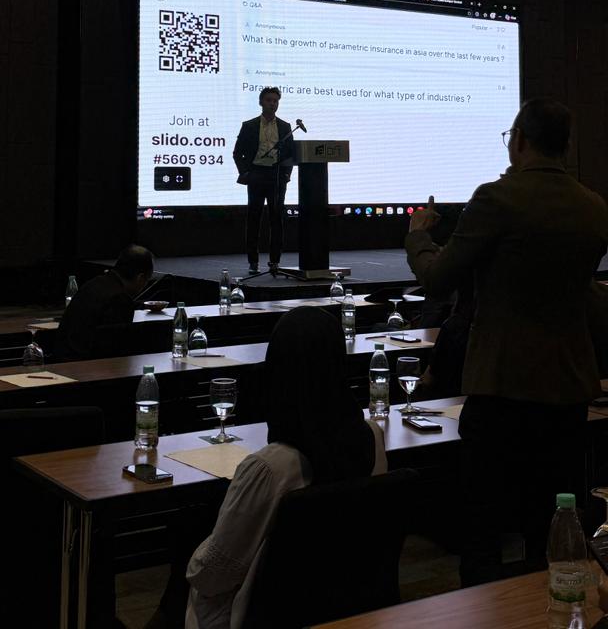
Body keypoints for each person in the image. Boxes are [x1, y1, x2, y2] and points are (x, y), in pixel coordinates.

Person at [404, 98, 608, 586]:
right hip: (566, 391)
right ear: (565, 146)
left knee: (483, 531)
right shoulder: (593, 207)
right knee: (551, 528)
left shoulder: (497, 198)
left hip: (501, 389)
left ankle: (486, 611)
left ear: (519, 140)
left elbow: (439, 277)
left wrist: (417, 237)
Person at [185, 306, 387, 629]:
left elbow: (211, 575)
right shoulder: (372, 439)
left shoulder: (269, 468)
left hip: (267, 615)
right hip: (349, 607)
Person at [54, 244, 154, 360]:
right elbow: (114, 351)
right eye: (147, 280)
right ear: (140, 278)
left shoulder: (92, 284)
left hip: (62, 359)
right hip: (85, 365)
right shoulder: (119, 299)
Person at [233, 86, 294, 274]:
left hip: (276, 175)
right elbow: (238, 153)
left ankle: (275, 262)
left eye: (275, 101)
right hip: (256, 174)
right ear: (261, 102)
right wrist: (245, 172)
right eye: (268, 100)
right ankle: (253, 262)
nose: (272, 104)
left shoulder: (285, 127)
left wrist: (286, 175)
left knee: (277, 220)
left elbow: (290, 154)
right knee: (254, 218)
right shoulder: (249, 125)